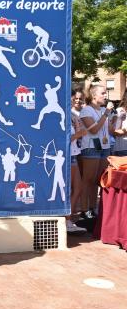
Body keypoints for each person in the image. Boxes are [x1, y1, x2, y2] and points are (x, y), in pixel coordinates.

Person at [79, 85, 113, 220]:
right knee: (88, 180)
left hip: (104, 147)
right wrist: (106, 115)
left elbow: (110, 130)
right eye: (103, 93)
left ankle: (93, 208)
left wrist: (112, 119)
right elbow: (94, 130)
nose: (105, 95)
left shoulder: (105, 110)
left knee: (98, 180)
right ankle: (84, 209)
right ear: (94, 96)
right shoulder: (86, 110)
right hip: (91, 147)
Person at [67, 98, 87, 234]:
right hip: (68, 156)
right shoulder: (64, 116)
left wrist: (79, 129)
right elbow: (66, 138)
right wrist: (80, 133)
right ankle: (66, 220)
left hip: (73, 154)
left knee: (77, 188)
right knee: (75, 188)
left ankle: (67, 220)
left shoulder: (71, 116)